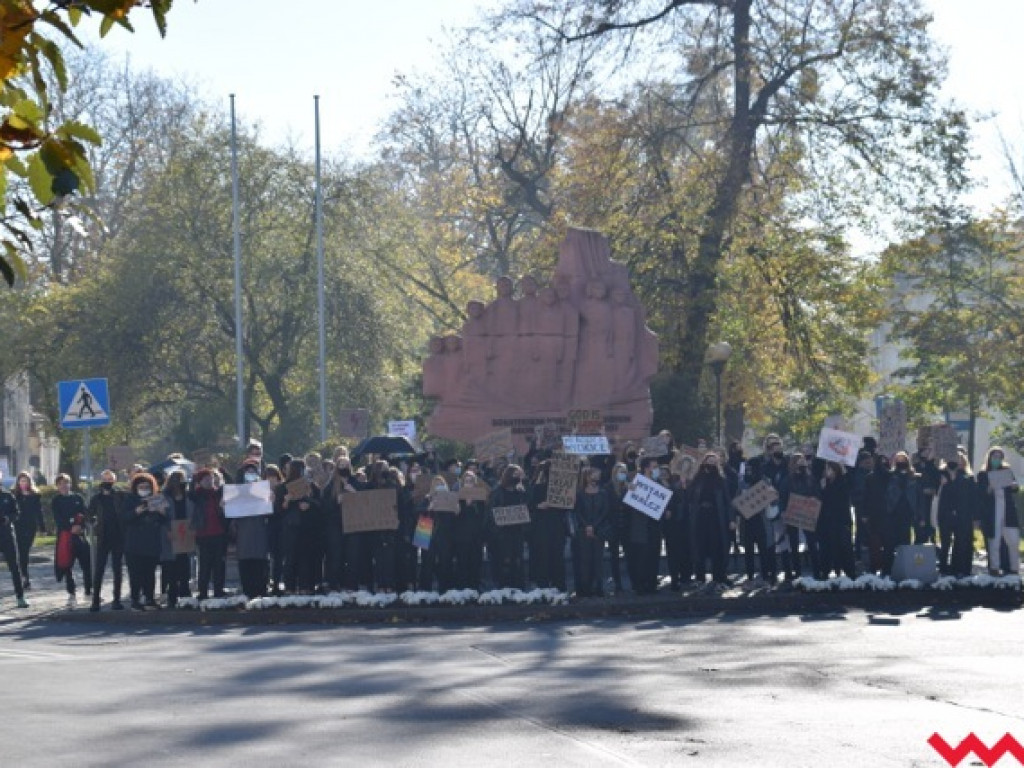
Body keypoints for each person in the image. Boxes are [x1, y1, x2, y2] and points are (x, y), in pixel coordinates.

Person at [123, 472, 168, 610]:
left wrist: (162, 512)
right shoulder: (129, 499)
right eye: (141, 486)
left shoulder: (157, 498)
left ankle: (149, 598)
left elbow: (166, 519)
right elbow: (124, 518)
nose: (144, 489)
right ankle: (135, 600)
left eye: (147, 486)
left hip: (151, 542)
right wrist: (137, 511)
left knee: (150, 572)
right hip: (134, 543)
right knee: (135, 573)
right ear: (135, 487)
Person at [688, 452, 732, 590]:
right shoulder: (697, 479)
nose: (711, 464)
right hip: (700, 517)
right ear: (704, 462)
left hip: (716, 518)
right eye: (709, 461)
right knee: (699, 547)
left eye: (714, 462)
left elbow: (727, 501)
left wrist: (731, 519)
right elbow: (690, 497)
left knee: (716, 548)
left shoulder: (721, 480)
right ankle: (699, 578)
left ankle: (718, 577)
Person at [976, 447, 1020, 576]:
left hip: (1008, 511)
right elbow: (980, 494)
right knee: (994, 540)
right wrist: (988, 489)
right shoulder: (983, 474)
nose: (997, 459)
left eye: (999, 457)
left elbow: (1014, 487)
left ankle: (1014, 568)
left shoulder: (1006, 471)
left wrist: (1014, 486)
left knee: (1013, 540)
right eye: (994, 457)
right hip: (993, 512)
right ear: (989, 458)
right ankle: (994, 568)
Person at [526, 460, 567, 591]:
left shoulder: (562, 487)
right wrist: (539, 506)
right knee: (543, 556)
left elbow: (567, 505)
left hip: (556, 524)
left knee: (557, 556)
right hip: (541, 526)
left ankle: (558, 585)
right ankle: (543, 585)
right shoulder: (536, 487)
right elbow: (529, 505)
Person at [51, 473, 91, 606]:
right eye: (61, 483)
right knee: (67, 566)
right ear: (57, 486)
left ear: (70, 484)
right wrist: (70, 527)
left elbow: (85, 514)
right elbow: (58, 519)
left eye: (66, 483)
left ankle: (88, 592)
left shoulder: (78, 497)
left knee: (86, 564)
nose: (64, 486)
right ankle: (71, 593)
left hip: (80, 535)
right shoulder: (56, 501)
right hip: (65, 537)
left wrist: (81, 526)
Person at [88, 469, 126, 611]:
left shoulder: (120, 496)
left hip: (118, 536)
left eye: (110, 480)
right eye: (105, 479)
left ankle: (117, 599)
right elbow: (89, 514)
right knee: (99, 569)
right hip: (103, 537)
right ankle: (95, 600)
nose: (107, 482)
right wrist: (92, 521)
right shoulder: (96, 499)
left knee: (118, 569)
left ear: (114, 481)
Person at [487, 464, 529, 589]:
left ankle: (518, 587)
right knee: (505, 561)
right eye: (516, 474)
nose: (518, 477)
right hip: (502, 534)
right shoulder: (497, 492)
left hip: (517, 532)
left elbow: (527, 508)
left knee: (518, 560)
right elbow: (491, 512)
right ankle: (504, 587)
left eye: (520, 474)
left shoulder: (520, 491)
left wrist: (524, 492)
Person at [190, 468, 227, 599]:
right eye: (206, 479)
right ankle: (203, 592)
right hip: (203, 535)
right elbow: (190, 491)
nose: (209, 481)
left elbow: (230, 484)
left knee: (219, 564)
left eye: (211, 478)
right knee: (204, 565)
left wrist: (223, 471)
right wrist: (196, 474)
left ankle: (219, 590)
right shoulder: (196, 495)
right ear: (200, 482)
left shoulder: (218, 493)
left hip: (219, 534)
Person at [572, 468, 609, 597]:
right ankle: (585, 589)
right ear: (586, 477)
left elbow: (605, 511)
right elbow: (578, 512)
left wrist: (594, 526)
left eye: (597, 476)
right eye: (593, 476)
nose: (595, 479)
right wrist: (586, 526)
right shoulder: (580, 494)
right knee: (585, 560)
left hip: (599, 530)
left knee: (598, 560)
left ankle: (598, 588)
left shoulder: (603, 493)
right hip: (583, 530)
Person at [937, 456, 975, 576]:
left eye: (960, 459)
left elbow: (972, 498)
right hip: (945, 514)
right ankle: (943, 567)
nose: (957, 461)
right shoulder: (940, 474)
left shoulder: (968, 478)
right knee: (945, 542)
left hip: (962, 515)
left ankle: (956, 568)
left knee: (959, 542)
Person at [159, 470, 192, 607]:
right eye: (176, 480)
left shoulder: (188, 497)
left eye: (181, 480)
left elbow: (193, 513)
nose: (179, 484)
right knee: (171, 566)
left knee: (185, 565)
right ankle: (172, 595)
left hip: (185, 533)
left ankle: (185, 594)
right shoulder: (164, 497)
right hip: (171, 534)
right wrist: (167, 530)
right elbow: (161, 518)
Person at [883, 452, 919, 576]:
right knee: (890, 542)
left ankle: (905, 569)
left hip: (907, 513)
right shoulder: (890, 476)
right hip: (893, 512)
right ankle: (888, 569)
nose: (901, 463)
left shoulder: (913, 476)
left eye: (903, 460)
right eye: (898, 460)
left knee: (905, 541)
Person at [818, 461, 855, 579]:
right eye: (826, 469)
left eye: (830, 469)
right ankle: (833, 570)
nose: (827, 472)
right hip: (828, 519)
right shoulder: (825, 483)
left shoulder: (843, 481)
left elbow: (847, 492)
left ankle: (849, 571)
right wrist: (823, 489)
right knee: (831, 545)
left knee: (845, 545)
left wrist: (844, 472)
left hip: (842, 518)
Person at [454, 469, 487, 590]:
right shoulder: (457, 498)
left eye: (471, 481)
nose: (469, 484)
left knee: (475, 563)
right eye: (466, 481)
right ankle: (462, 588)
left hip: (476, 537)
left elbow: (482, 516)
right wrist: (464, 506)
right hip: (461, 537)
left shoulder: (480, 498)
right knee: (462, 563)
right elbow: (455, 518)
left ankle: (475, 587)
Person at [0, 473, 29, 608]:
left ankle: (20, 596)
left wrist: (8, 519)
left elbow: (16, 513)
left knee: (14, 567)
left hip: (7, 535)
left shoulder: (8, 496)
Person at [12, 471, 44, 590]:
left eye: (25, 481)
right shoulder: (14, 495)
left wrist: (42, 527)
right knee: (21, 551)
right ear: (18, 483)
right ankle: (24, 577)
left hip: (30, 527)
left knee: (25, 550)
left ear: (29, 482)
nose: (23, 483)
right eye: (21, 481)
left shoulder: (35, 496)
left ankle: (24, 575)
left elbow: (38, 512)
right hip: (17, 526)